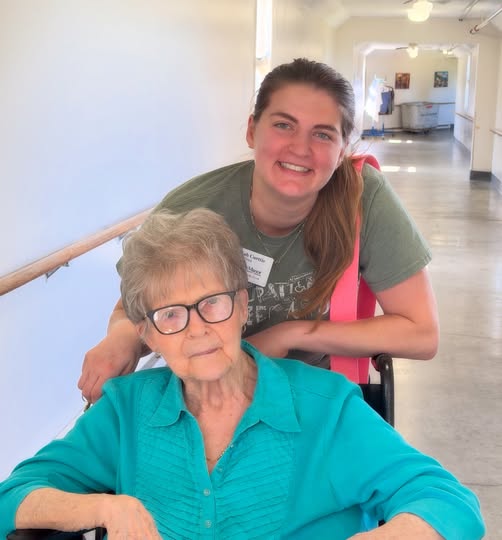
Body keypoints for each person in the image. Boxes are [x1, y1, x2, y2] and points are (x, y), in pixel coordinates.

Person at [0, 209, 484, 539]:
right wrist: (105, 508)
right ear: (148, 336)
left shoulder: (324, 407)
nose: (197, 330)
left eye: (213, 303)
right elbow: (12, 496)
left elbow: (448, 503)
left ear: (242, 307)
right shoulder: (127, 410)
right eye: (171, 315)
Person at [79, 57, 439, 403]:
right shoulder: (191, 210)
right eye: (283, 125)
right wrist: (123, 338)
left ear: (343, 148)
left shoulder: (363, 197)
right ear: (252, 131)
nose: (300, 148)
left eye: (323, 135)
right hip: (209, 391)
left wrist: (291, 334)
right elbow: (136, 310)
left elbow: (421, 334)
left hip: (312, 392)